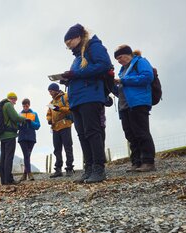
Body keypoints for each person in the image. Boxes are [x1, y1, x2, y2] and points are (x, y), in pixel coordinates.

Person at [61, 23, 112, 183]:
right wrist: (67, 79)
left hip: (90, 96)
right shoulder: (77, 57)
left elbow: (104, 65)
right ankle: (89, 168)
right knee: (82, 135)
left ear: (78, 37)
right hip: (76, 100)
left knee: (92, 132)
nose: (69, 47)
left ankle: (99, 168)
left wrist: (76, 74)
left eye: (69, 43)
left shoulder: (93, 46)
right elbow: (78, 74)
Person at [113, 45, 156, 172]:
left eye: (120, 57)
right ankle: (136, 162)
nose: (119, 61)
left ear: (128, 54)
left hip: (138, 103)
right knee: (130, 135)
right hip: (124, 106)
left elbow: (148, 77)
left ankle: (148, 162)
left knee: (141, 132)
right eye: (117, 59)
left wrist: (123, 80)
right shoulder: (122, 69)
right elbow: (122, 88)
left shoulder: (140, 62)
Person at [46, 83, 74, 177]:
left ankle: (69, 168)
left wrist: (59, 109)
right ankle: (58, 169)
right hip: (55, 128)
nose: (50, 93)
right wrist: (49, 119)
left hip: (65, 124)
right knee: (57, 149)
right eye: (49, 91)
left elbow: (70, 108)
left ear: (56, 90)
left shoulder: (65, 97)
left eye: (51, 91)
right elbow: (49, 113)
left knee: (68, 147)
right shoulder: (51, 103)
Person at [0, 92, 27, 185]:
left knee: (3, 157)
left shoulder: (2, 106)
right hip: (10, 135)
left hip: (2, 135)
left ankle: (3, 180)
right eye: (15, 100)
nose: (15, 102)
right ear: (13, 98)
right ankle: (9, 180)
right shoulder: (8, 105)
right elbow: (15, 117)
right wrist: (24, 119)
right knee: (9, 157)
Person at [18, 98, 40, 181]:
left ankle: (24, 174)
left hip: (31, 138)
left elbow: (38, 126)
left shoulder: (34, 114)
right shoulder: (19, 114)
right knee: (26, 155)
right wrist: (21, 123)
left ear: (29, 105)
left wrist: (31, 122)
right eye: (24, 106)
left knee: (28, 155)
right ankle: (29, 174)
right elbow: (17, 126)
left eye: (26, 106)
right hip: (22, 137)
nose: (25, 107)